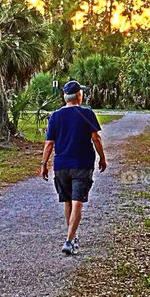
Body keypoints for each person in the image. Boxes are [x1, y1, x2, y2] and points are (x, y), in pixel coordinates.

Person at [40, 79, 107, 256]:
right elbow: (96, 138)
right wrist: (102, 158)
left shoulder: (55, 116)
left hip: (61, 165)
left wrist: (44, 164)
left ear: (64, 97)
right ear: (78, 95)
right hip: (82, 164)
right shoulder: (87, 113)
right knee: (77, 201)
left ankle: (72, 235)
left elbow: (49, 144)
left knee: (68, 201)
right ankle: (69, 240)